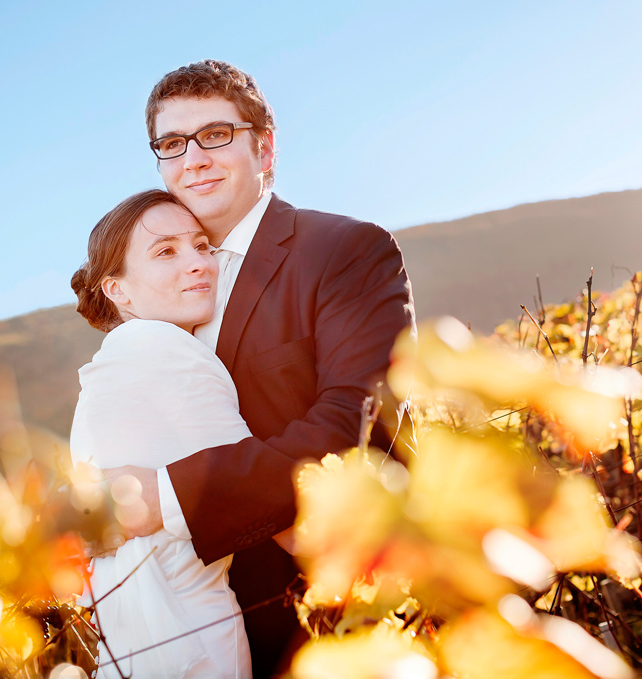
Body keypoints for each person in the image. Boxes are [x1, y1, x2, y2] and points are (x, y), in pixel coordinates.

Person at [103, 60, 415, 676]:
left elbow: (349, 424)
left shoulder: (343, 250)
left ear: (264, 147)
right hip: (216, 629)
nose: (193, 159)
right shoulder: (159, 293)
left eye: (216, 135)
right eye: (172, 144)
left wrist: (159, 498)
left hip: (356, 605)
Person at [69, 189, 263, 679]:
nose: (198, 263)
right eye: (166, 252)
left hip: (129, 642)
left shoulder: (117, 362)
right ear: (118, 290)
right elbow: (255, 488)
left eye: (201, 246)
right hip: (192, 639)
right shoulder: (161, 346)